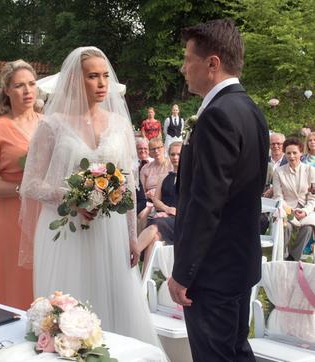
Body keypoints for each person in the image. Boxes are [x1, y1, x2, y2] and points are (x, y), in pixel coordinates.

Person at [19, 46, 161, 347]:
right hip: (65, 231)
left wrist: (132, 236)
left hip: (108, 231)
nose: (101, 84)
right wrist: (70, 197)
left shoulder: (120, 125)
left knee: (114, 299)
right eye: (93, 76)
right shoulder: (51, 125)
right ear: (75, 80)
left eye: (105, 76)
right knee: (70, 304)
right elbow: (30, 183)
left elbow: (128, 184)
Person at [170, 19, 269, 361]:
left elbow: (206, 201)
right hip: (238, 263)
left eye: (188, 59)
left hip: (213, 271)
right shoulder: (250, 110)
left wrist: (183, 273)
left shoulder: (218, 115)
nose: (183, 68)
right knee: (236, 353)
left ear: (212, 63)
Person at [0, 60, 41, 310]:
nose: (27, 91)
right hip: (12, 219)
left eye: (32, 84)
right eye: (20, 86)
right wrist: (21, 189)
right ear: (7, 91)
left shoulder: (49, 125)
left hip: (47, 215)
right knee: (16, 283)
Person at [132, 142, 181, 273]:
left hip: (181, 220)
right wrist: (166, 209)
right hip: (163, 216)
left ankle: (132, 255)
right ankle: (143, 280)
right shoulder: (164, 177)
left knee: (154, 225)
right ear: (169, 155)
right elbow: (156, 200)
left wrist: (175, 211)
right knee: (154, 237)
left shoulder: (191, 177)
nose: (175, 157)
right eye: (172, 154)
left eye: (178, 154)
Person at [273, 138, 315, 261]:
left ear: (301, 153)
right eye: (288, 153)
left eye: (295, 153)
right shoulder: (279, 172)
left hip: (306, 210)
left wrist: (306, 211)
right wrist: (289, 210)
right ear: (284, 154)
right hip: (287, 209)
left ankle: (292, 258)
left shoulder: (310, 171)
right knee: (286, 226)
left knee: (308, 228)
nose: (291, 156)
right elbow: (278, 196)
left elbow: (313, 197)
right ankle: (281, 256)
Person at [138, 137, 173, 232]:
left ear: (164, 148)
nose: (156, 151)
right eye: (153, 149)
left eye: (159, 148)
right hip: (149, 201)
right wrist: (149, 195)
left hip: (166, 199)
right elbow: (142, 191)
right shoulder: (146, 168)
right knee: (142, 215)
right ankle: (140, 241)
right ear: (150, 151)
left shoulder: (171, 165)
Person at [263, 132, 287, 197]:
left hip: (283, 198)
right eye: (273, 144)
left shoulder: (289, 162)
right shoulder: (263, 161)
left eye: (278, 143)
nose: (275, 146)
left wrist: (273, 189)